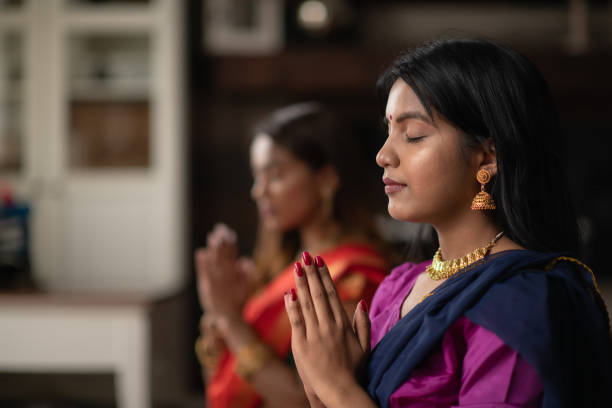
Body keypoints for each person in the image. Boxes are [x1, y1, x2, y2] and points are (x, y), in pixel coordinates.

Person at [284, 38, 612, 408]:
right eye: (388, 132)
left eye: (413, 135)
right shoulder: (398, 287)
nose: (383, 155)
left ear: (487, 157)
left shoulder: (521, 305)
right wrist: (321, 387)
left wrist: (337, 388)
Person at [194, 102, 391, 408]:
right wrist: (221, 320)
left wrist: (231, 320)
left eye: (275, 176)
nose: (259, 191)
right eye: (256, 177)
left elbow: (306, 398)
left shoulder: (353, 275)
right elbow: (222, 388)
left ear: (326, 179)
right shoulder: (275, 267)